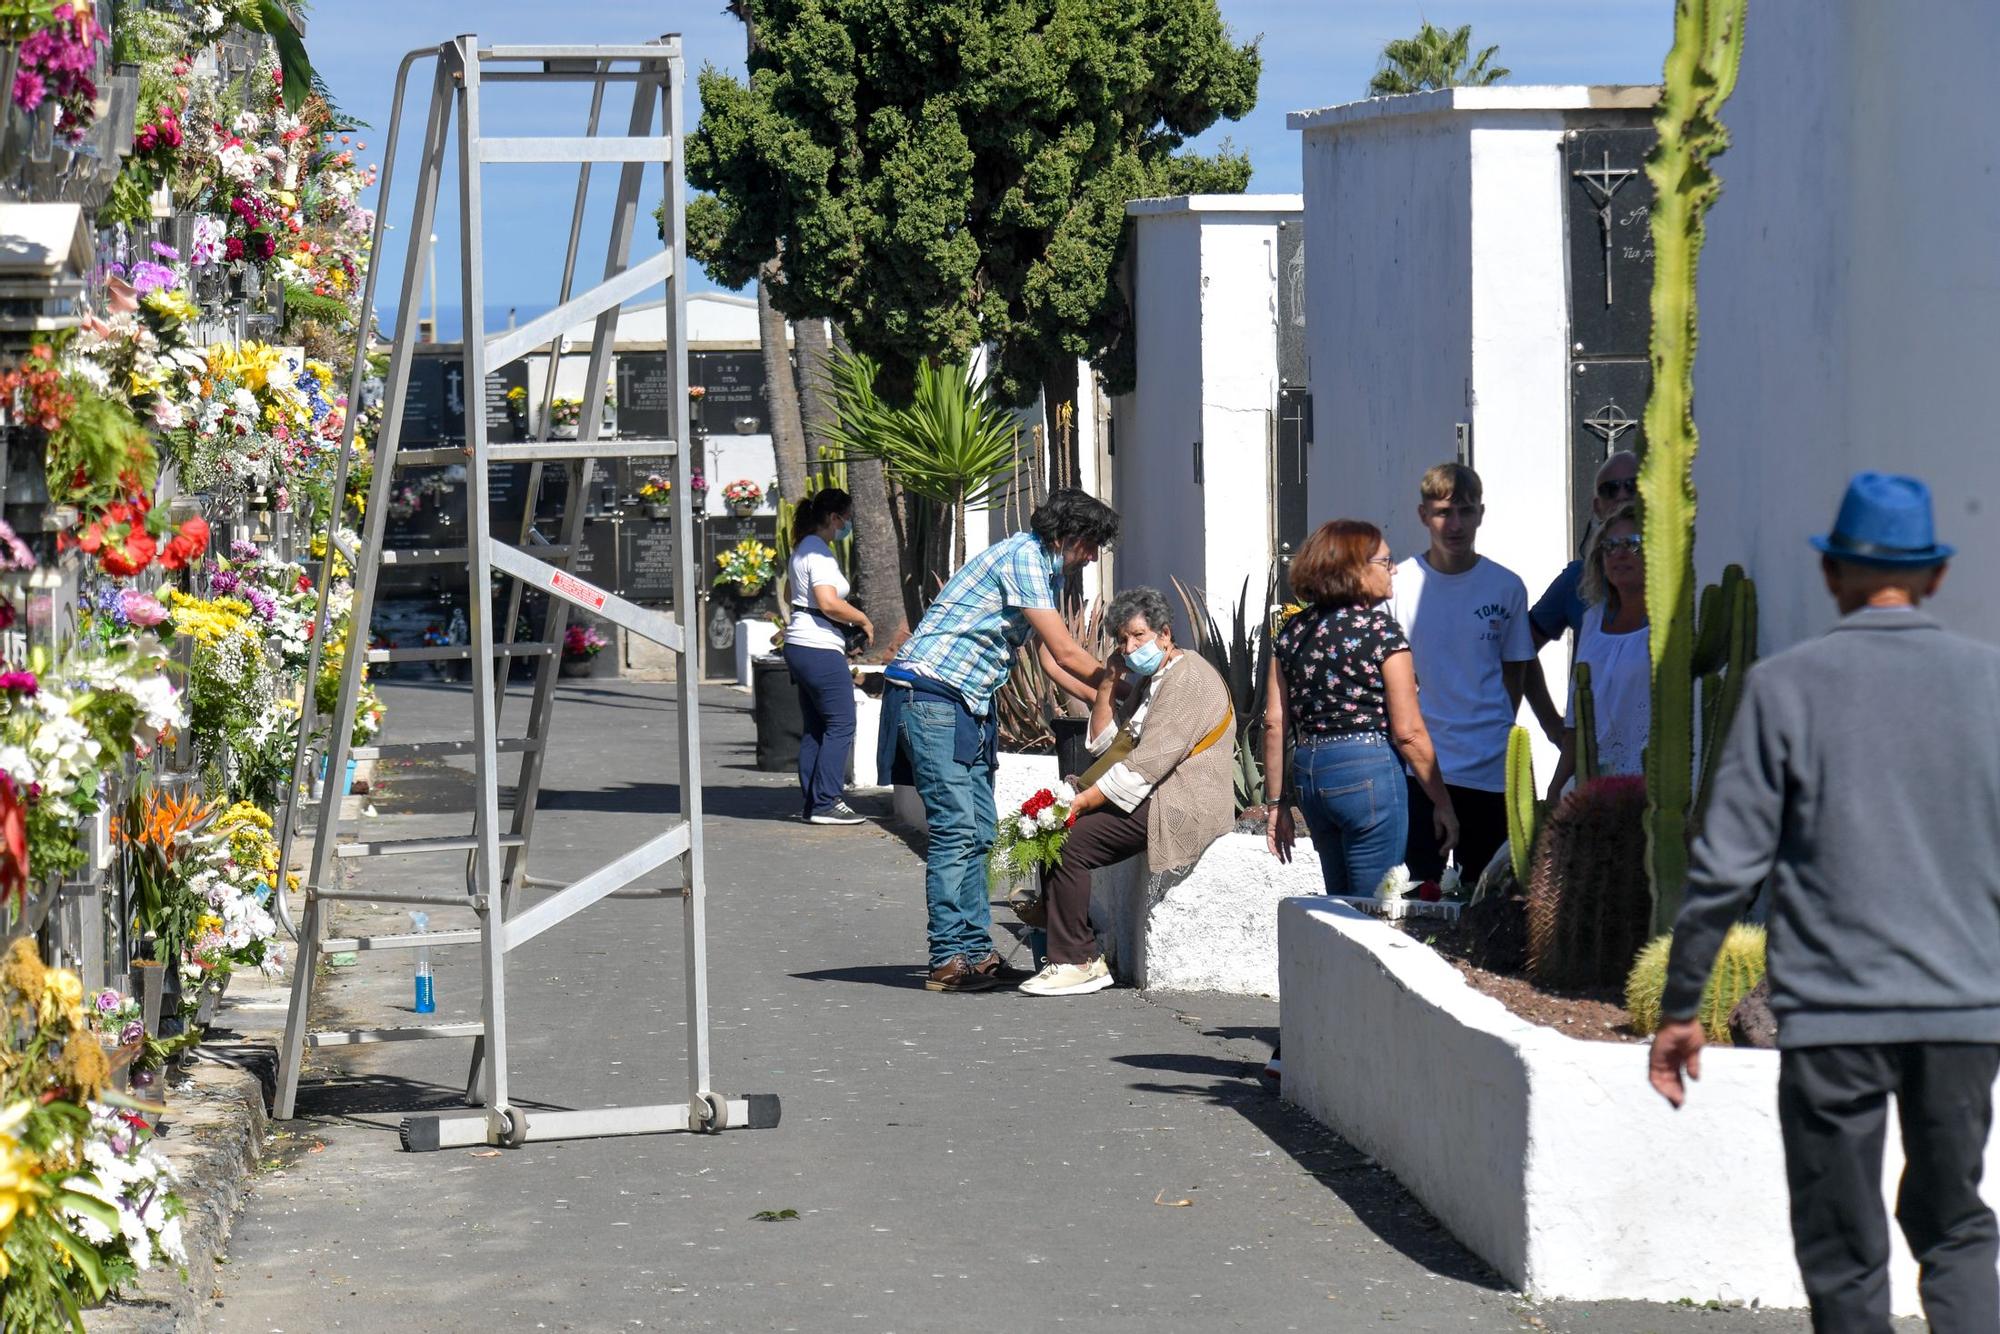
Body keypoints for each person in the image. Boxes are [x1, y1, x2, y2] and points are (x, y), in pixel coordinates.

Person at [1649, 472, 2000, 1333]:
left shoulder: (1785, 688)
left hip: (1836, 1016)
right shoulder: (1991, 685)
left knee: (1843, 1248)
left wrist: (1682, 1004)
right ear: (1937, 576)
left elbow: (1727, 865)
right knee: (1956, 1226)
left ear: (1833, 574)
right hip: (1963, 1011)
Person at [878, 488, 1118, 993]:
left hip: (968, 705)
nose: (1093, 556)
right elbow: (1066, 650)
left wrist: (1107, 701)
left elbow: (1051, 664)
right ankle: (947, 957)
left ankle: (976, 953)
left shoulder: (1041, 567)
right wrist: (1122, 684)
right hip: (934, 698)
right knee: (955, 829)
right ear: (1066, 534)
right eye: (1091, 544)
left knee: (982, 832)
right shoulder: (1025, 558)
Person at [1021, 586, 1235, 998]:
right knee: (1058, 839)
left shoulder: (1188, 680)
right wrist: (1109, 681)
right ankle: (1068, 952)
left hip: (1180, 800)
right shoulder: (1155, 679)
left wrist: (1078, 803)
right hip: (1151, 790)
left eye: (1138, 636)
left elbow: (1144, 767)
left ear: (1165, 634)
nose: (1129, 646)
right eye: (1122, 639)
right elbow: (1108, 744)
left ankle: (1077, 961)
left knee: (1069, 843)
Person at [1264, 519, 1457, 895]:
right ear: (1355, 569)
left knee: (1340, 908)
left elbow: (1274, 723)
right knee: (1374, 907)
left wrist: (1276, 803)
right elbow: (1409, 732)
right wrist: (1442, 802)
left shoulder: (1292, 633)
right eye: (1386, 562)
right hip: (1368, 769)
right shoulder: (1381, 633)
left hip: (1311, 772)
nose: (1394, 570)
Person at [1386, 463, 1536, 885]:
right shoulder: (1399, 585)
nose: (1455, 524)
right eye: (1442, 512)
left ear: (1481, 514)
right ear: (1422, 515)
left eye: (1465, 512)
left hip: (1490, 770)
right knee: (1421, 893)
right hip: (1423, 771)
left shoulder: (1506, 586)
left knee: (1485, 897)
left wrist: (1492, 728)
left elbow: (1515, 673)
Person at [1523, 449, 1640, 742]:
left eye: (1634, 485)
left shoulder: (1683, 571)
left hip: (1666, 758)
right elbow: (1519, 648)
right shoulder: (1576, 581)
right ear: (1597, 506)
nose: (1623, 495)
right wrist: (1552, 724)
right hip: (1593, 753)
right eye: (1611, 489)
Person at [782, 488, 873, 825]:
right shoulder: (818, 553)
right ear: (834, 518)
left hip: (800, 643)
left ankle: (813, 801)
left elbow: (790, 593)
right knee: (842, 722)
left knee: (818, 727)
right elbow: (828, 602)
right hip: (818, 646)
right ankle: (826, 802)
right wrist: (862, 619)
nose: (846, 526)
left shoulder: (801, 549)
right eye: (845, 519)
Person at [1545, 503, 1648, 796]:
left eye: (1633, 544)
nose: (1620, 553)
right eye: (1610, 545)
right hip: (1592, 788)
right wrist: (1554, 790)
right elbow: (1577, 721)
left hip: (1650, 789)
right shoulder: (1592, 621)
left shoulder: (1671, 622)